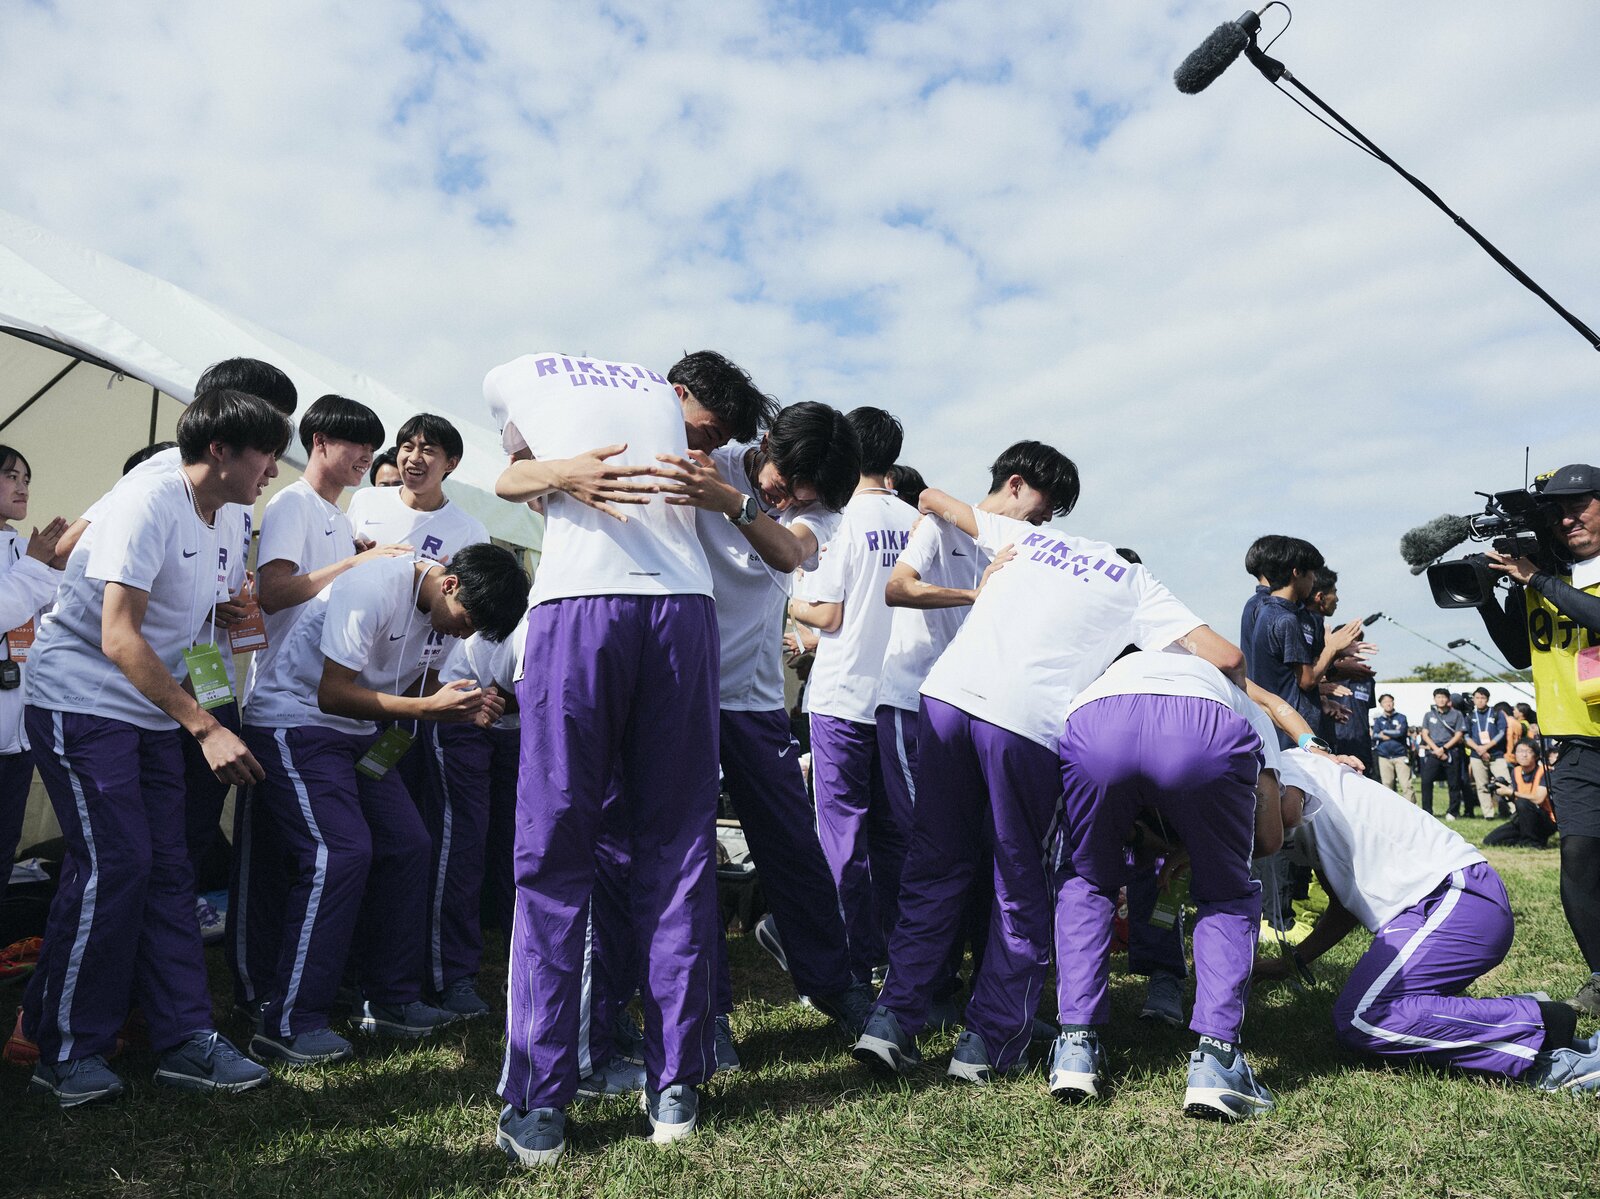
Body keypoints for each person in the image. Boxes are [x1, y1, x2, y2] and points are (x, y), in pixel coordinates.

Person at [852, 469, 1246, 1086]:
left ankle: (890, 1022)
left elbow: (930, 498)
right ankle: (987, 1041)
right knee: (1022, 879)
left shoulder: (1034, 540)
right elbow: (1226, 656)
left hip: (946, 697)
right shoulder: (1138, 581)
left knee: (934, 865)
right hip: (1026, 722)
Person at [484, 349, 774, 1164]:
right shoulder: (671, 416)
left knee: (552, 849)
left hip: (582, 610)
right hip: (683, 614)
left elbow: (508, 478)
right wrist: (563, 472)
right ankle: (675, 1086)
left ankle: (539, 1102)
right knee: (678, 848)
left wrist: (556, 470)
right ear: (679, 392)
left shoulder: (527, 373)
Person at [21, 388, 288, 1107]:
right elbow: (117, 636)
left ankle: (183, 1037)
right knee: (118, 863)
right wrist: (204, 724)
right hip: (81, 699)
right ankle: (67, 1050)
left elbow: (193, 607)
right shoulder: (146, 501)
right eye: (266, 451)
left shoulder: (232, 512)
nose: (274, 468)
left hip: (148, 707)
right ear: (220, 451)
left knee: (171, 865)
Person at [240, 542, 527, 1065]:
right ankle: (288, 1023)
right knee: (340, 855)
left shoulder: (444, 614)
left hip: (358, 734)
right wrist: (429, 707)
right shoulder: (372, 586)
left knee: (410, 845)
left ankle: (389, 999)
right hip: (296, 722)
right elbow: (332, 692)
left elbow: (422, 683)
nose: (465, 634)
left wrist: (466, 703)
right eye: (467, 620)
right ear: (449, 584)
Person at [649, 399, 873, 1060]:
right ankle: (708, 1015)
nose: (790, 498)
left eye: (806, 494)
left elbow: (787, 549)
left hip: (752, 696)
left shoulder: (811, 508)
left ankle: (839, 986)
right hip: (680, 688)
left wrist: (732, 501)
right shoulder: (707, 459)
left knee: (792, 846)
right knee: (690, 854)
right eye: (787, 480)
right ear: (767, 441)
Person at [1050, 650, 1314, 1120]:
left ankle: (1074, 1049)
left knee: (1089, 881)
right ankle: (1217, 1062)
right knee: (1226, 893)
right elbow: (1271, 835)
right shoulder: (1241, 697)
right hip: (1206, 727)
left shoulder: (1111, 667)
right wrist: (1208, 850)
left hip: (1094, 719)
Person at [875, 440, 1079, 1033]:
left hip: (979, 711)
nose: (1041, 526)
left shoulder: (1020, 550)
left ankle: (965, 993)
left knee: (982, 853)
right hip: (917, 703)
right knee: (930, 855)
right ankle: (915, 997)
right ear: (1014, 485)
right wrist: (977, 593)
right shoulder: (939, 525)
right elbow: (899, 587)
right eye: (1040, 512)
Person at [1258, 750, 1600, 1093]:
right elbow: (1344, 908)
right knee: (1369, 1013)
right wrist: (1292, 962)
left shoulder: (1283, 763)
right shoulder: (1288, 779)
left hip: (1453, 898)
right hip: (1430, 905)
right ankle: (1531, 1014)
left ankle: (1539, 1031)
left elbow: (1286, 812)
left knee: (1362, 1017)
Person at [231, 394, 407, 1020]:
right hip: (281, 701)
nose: (366, 456)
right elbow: (274, 592)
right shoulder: (292, 504)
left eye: (371, 445)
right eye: (355, 442)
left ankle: (334, 987)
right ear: (319, 440)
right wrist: (358, 562)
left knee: (345, 854)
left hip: (326, 708)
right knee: (271, 863)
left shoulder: (336, 514)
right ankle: (258, 995)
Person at [788, 407, 918, 986]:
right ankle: (896, 949)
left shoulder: (840, 522)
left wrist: (784, 601)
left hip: (842, 697)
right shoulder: (919, 522)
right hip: (900, 700)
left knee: (842, 832)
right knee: (895, 834)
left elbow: (829, 612)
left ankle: (849, 955)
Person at [1479, 464, 1600, 1014]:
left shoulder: (1542, 578)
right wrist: (1485, 595)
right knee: (1578, 857)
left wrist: (1538, 581)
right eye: (1558, 512)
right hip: (1573, 744)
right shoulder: (1539, 576)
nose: (1568, 519)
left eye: (1581, 506)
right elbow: (1518, 652)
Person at [0, 446, 66, 900]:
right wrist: (36, 567)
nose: (22, 486)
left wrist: (57, 567)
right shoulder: (30, 557)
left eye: (26, 476)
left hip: (19, 733)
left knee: (4, 846)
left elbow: (57, 618)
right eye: (9, 475)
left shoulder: (28, 549)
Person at [345, 414, 487, 564]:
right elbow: (341, 558)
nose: (414, 458)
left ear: (451, 463)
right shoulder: (366, 499)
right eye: (407, 447)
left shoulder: (470, 532)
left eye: (427, 451)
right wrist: (356, 552)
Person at [1484, 740, 1556, 848]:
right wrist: (1506, 793)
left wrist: (1511, 792)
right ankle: (1526, 840)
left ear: (1536, 756)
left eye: (1528, 751)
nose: (1524, 755)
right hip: (1524, 818)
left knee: (1523, 803)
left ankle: (1533, 843)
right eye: (1520, 751)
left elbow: (1538, 799)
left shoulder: (1546, 772)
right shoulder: (1516, 771)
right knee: (1491, 840)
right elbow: (1517, 800)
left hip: (1545, 819)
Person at [1418, 688, 1468, 819]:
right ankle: (1427, 811)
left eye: (1443, 697)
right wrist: (1436, 749)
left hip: (1451, 750)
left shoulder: (1456, 714)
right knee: (1426, 781)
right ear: (1434, 699)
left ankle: (1453, 811)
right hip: (1433, 751)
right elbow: (1425, 733)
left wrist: (1444, 749)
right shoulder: (1429, 715)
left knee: (1454, 783)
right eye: (1438, 697)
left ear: (1448, 699)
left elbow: (1459, 734)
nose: (1441, 700)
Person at [1464, 686, 1510, 819]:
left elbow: (1502, 732)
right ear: (1473, 699)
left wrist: (1486, 747)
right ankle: (1488, 814)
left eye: (1482, 698)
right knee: (1481, 785)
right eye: (1477, 698)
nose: (1480, 701)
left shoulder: (1496, 713)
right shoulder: (1471, 716)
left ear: (1487, 699)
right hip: (1476, 755)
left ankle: (1514, 810)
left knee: (1504, 781)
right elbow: (1466, 736)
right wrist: (1478, 748)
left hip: (1496, 754)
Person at [1372, 694, 1413, 800]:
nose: (1388, 704)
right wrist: (1392, 733)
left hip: (1400, 755)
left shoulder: (1401, 717)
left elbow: (1400, 732)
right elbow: (1375, 735)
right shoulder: (1378, 720)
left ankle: (1412, 811)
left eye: (1390, 701)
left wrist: (1384, 732)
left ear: (1393, 702)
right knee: (1387, 785)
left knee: (1406, 785)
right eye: (1385, 702)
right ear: (1381, 704)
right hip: (1384, 756)